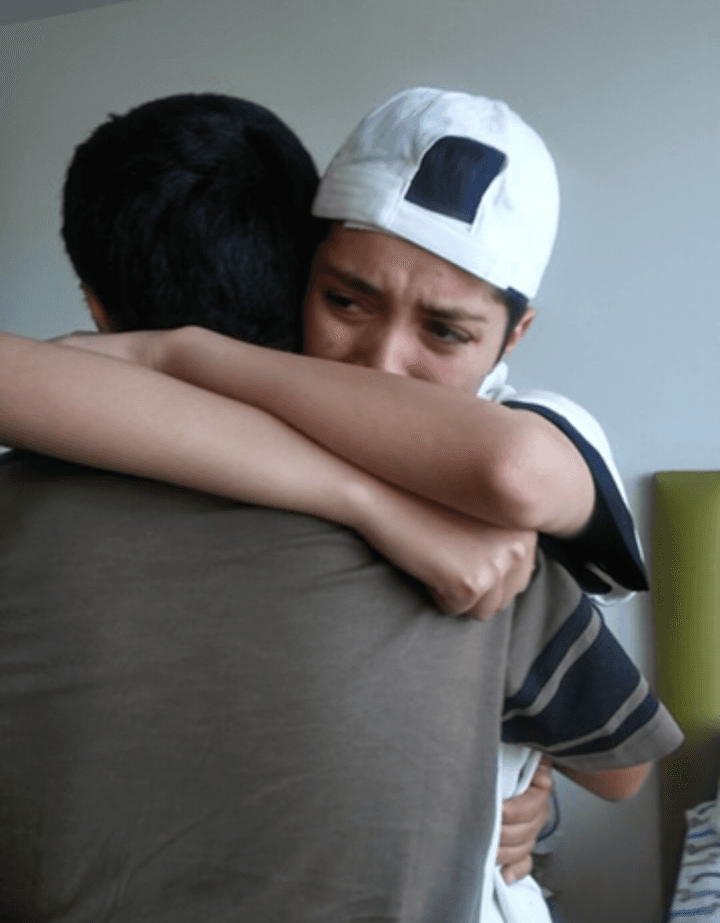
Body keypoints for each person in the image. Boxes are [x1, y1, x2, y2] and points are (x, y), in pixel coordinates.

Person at [0, 91, 679, 921]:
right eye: (347, 301)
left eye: (445, 331)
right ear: (300, 276)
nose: (381, 367)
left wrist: (168, 351)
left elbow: (514, 470)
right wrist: (366, 500)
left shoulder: (511, 475)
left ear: (514, 335)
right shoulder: (458, 544)